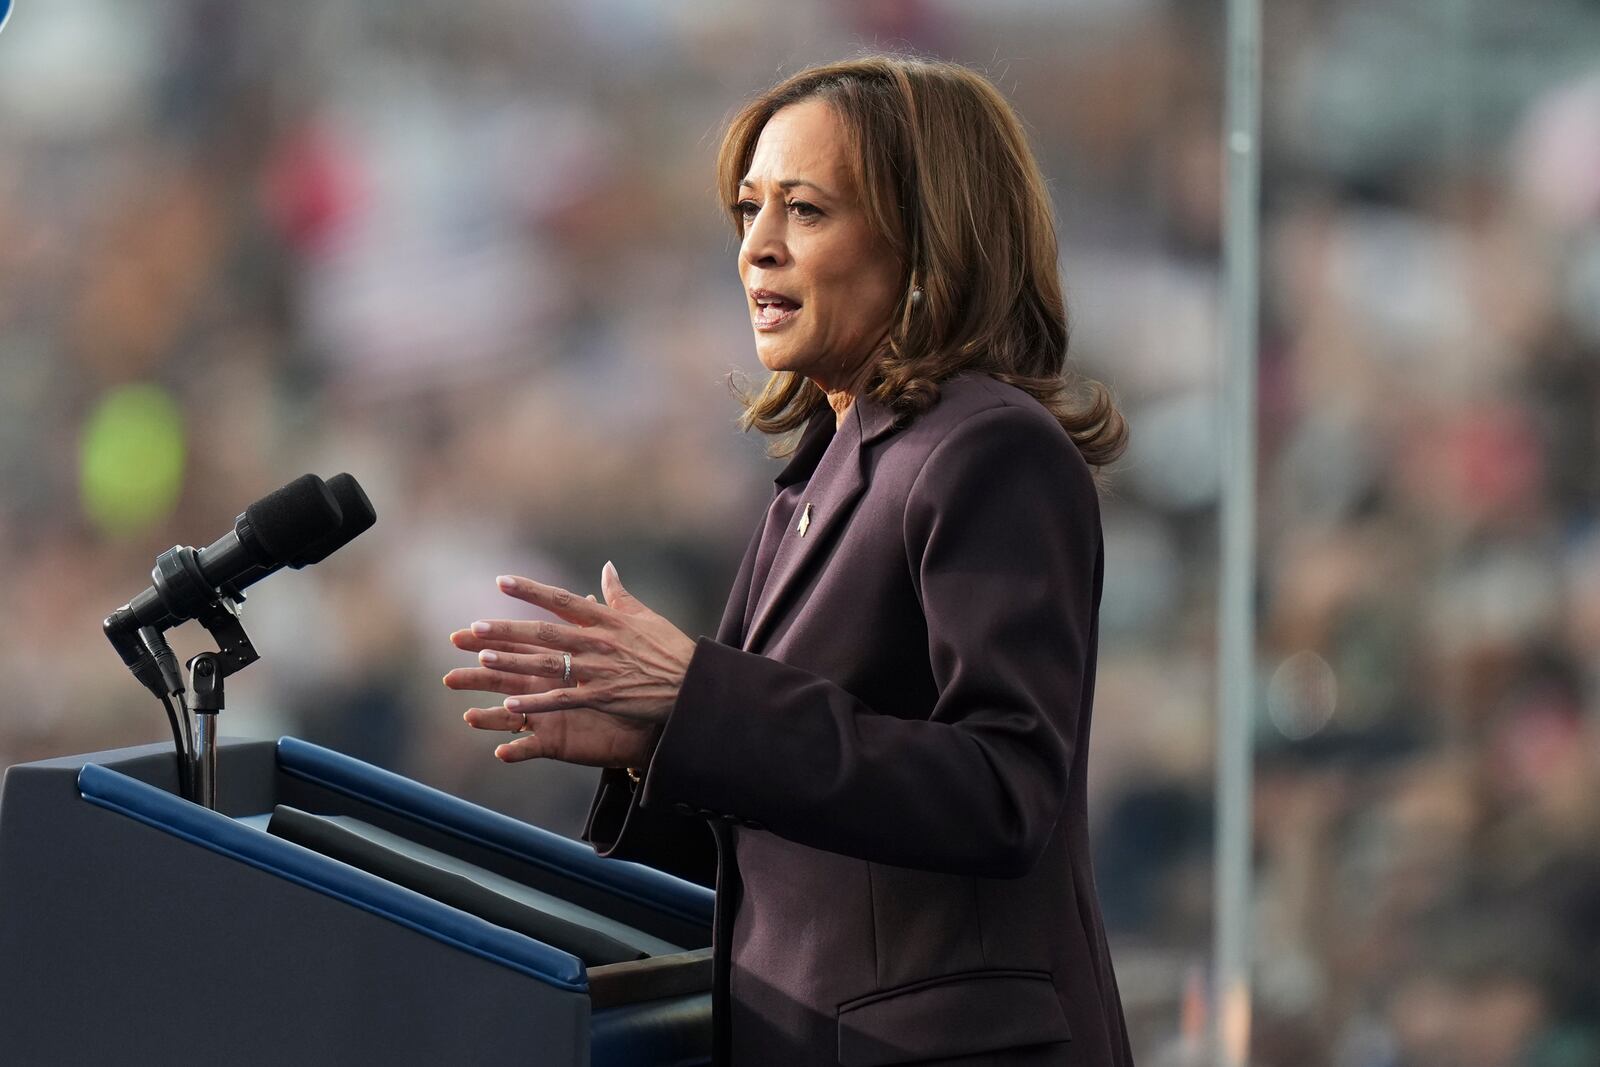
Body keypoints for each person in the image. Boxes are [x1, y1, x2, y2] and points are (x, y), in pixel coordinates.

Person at [445, 54, 1134, 1066]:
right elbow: (783, 824)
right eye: (747, 210)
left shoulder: (989, 449)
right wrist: (655, 738)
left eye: (804, 211)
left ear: (924, 237)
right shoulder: (820, 472)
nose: (756, 249)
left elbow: (1003, 788)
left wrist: (700, 697)